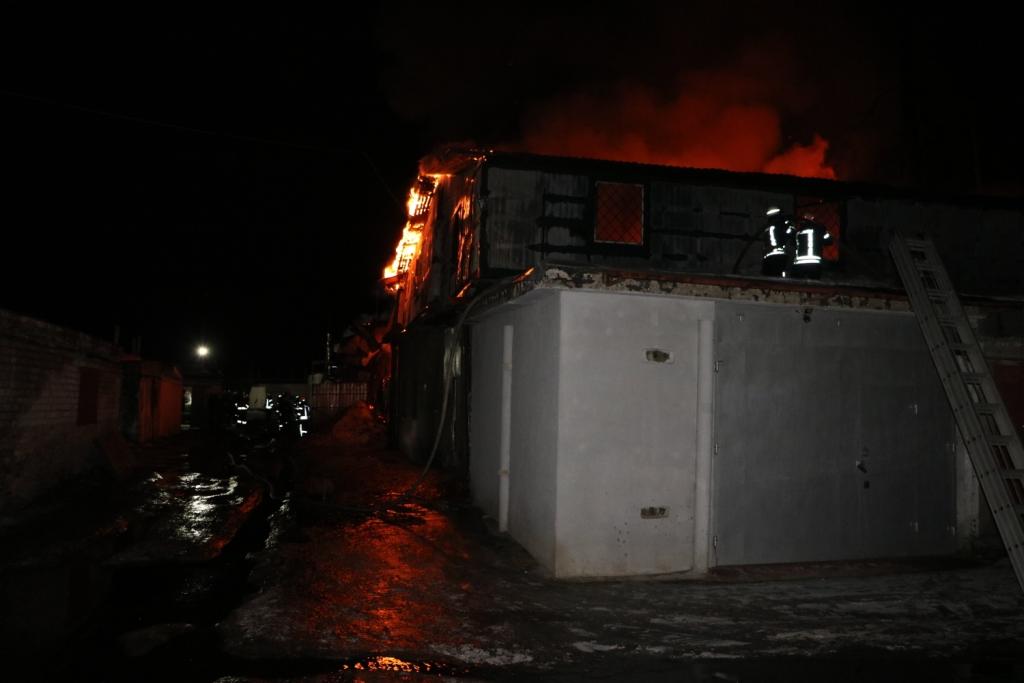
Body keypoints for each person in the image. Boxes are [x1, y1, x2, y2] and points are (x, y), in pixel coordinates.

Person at [790, 214, 833, 279]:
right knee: (814, 283)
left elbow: (792, 244)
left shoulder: (798, 232)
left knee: (798, 283)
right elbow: (829, 242)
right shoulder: (819, 230)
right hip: (815, 263)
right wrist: (826, 233)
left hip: (800, 263)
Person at [760, 206, 795, 277]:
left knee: (769, 276)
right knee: (779, 275)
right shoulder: (780, 226)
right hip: (778, 255)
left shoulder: (768, 228)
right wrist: (789, 225)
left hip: (769, 256)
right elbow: (789, 235)